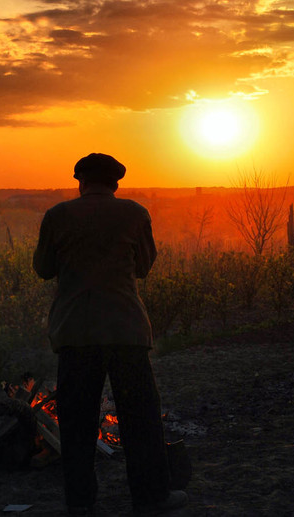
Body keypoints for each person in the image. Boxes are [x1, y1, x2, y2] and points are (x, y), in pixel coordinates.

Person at [33, 153, 187, 516]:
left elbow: (42, 269)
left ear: (80, 182)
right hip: (126, 331)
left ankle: (81, 502)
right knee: (141, 420)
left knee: (76, 423)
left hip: (75, 332)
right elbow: (145, 267)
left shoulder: (57, 216)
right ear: (115, 183)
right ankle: (151, 497)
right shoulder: (135, 214)